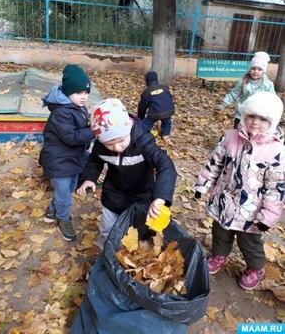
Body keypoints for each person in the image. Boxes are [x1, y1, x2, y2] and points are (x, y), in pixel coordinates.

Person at [195, 92, 285, 290]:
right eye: (251, 116)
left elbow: (276, 186)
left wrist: (268, 216)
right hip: (224, 201)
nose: (255, 122)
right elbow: (215, 163)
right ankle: (219, 255)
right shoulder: (230, 138)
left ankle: (255, 268)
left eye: (262, 119)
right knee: (220, 233)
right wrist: (203, 185)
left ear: (272, 121)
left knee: (250, 242)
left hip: (251, 211)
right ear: (244, 114)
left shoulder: (276, 151)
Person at [77, 98, 177, 250]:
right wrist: (89, 178)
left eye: (121, 141)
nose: (117, 147)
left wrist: (160, 197)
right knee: (107, 230)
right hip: (113, 194)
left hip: (141, 195)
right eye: (110, 144)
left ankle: (131, 255)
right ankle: (107, 255)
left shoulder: (143, 142)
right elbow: (95, 161)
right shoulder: (101, 146)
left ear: (128, 128)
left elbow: (166, 166)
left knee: (138, 231)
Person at [39, 64, 94, 242]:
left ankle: (52, 210)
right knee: (65, 193)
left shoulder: (78, 107)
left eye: (86, 93)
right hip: (58, 161)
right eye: (79, 93)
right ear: (68, 92)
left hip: (72, 159)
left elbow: (80, 127)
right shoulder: (61, 112)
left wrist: (89, 123)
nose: (84, 97)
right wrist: (93, 131)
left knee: (69, 189)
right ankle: (64, 220)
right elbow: (71, 136)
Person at [217, 52, 275, 128]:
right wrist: (224, 104)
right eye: (253, 68)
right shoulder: (243, 81)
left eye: (259, 69)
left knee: (252, 134)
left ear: (263, 71)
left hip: (257, 116)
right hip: (242, 113)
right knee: (238, 132)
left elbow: (272, 100)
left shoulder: (267, 84)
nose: (255, 71)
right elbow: (234, 93)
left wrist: (271, 113)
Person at [137, 71, 175, 138]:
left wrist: (140, 118)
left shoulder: (147, 92)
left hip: (155, 112)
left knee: (146, 123)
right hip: (169, 110)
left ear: (147, 81)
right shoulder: (164, 88)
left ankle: (141, 134)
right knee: (167, 121)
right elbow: (170, 98)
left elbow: (142, 107)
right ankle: (165, 135)